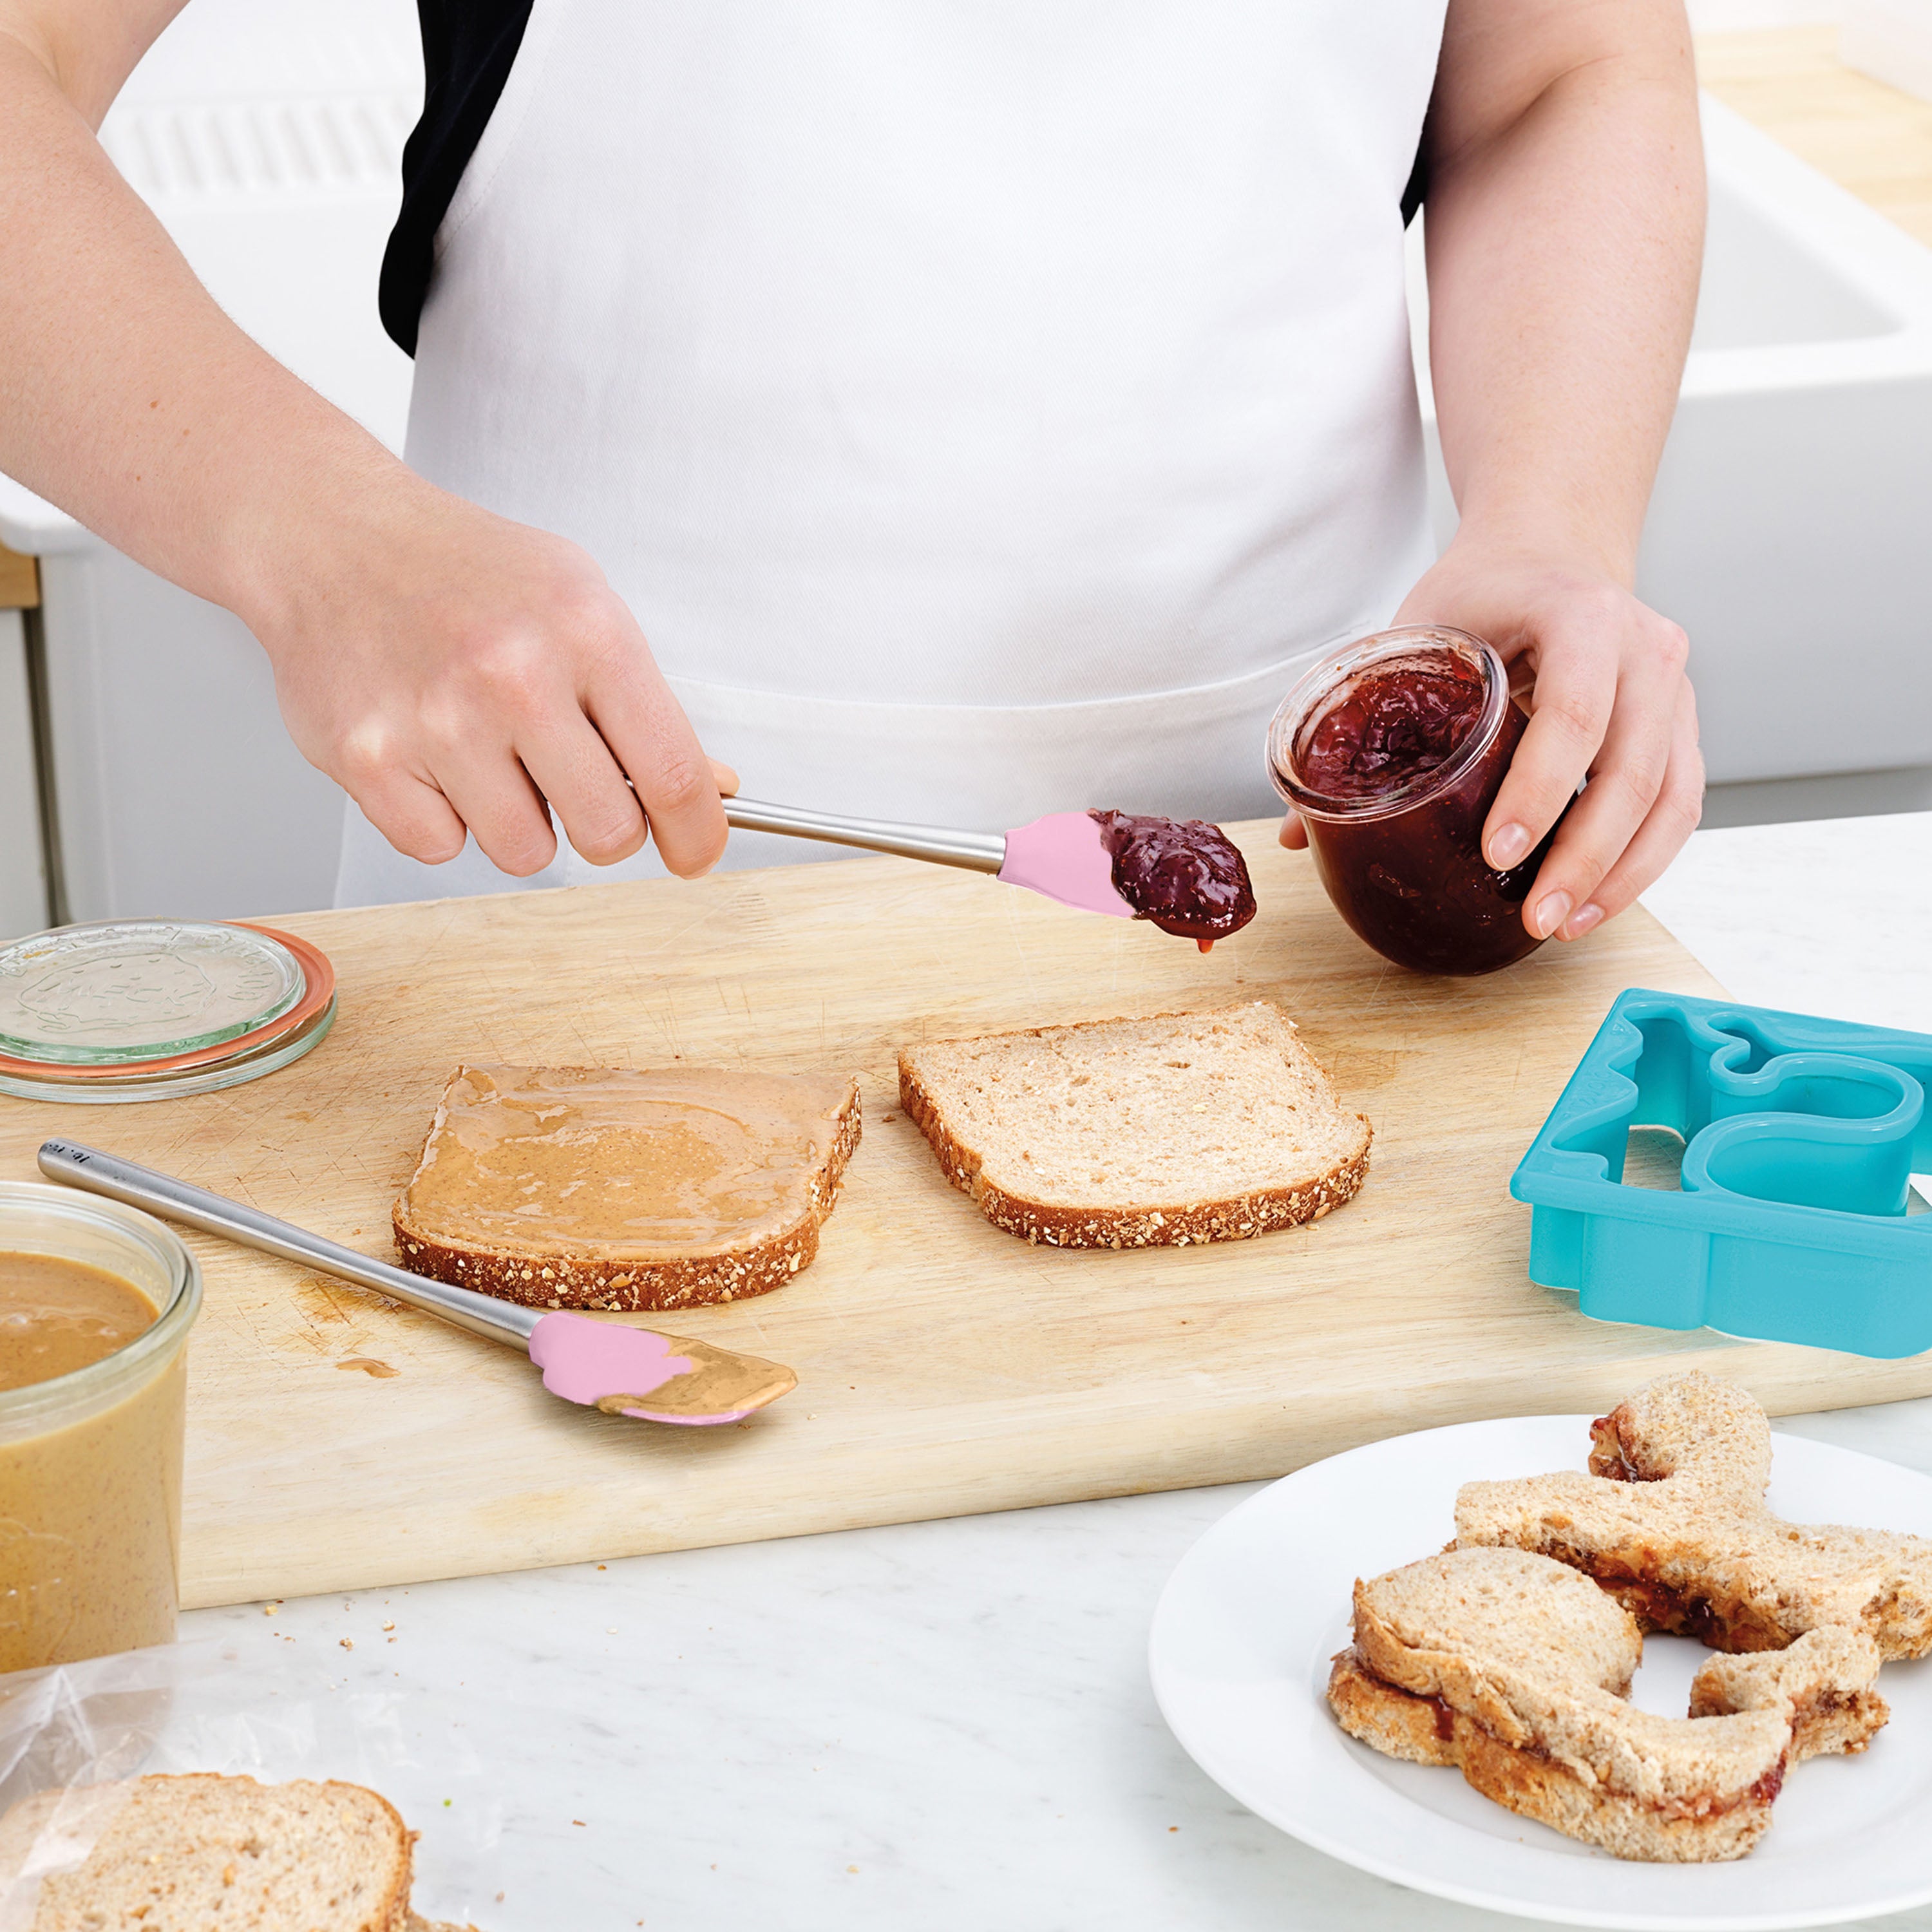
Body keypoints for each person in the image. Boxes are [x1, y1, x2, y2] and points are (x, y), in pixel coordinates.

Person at [0, 0, 1704, 942]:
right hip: (587, 888)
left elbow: (1560, 72)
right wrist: (318, 535)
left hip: (1312, 904)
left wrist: (1554, 522)